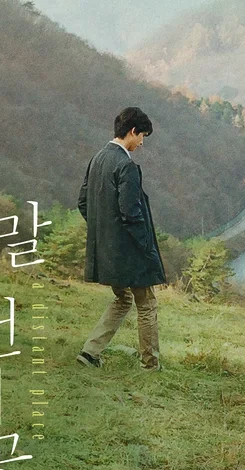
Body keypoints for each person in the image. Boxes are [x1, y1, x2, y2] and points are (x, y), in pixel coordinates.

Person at [76, 107, 166, 370]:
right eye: (142, 136)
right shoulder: (126, 166)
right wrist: (146, 248)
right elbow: (131, 214)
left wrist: (106, 233)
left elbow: (83, 203)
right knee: (147, 304)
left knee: (123, 299)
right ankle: (150, 364)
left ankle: (90, 352)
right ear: (133, 131)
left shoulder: (97, 159)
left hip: (107, 252)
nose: (142, 143)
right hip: (130, 252)